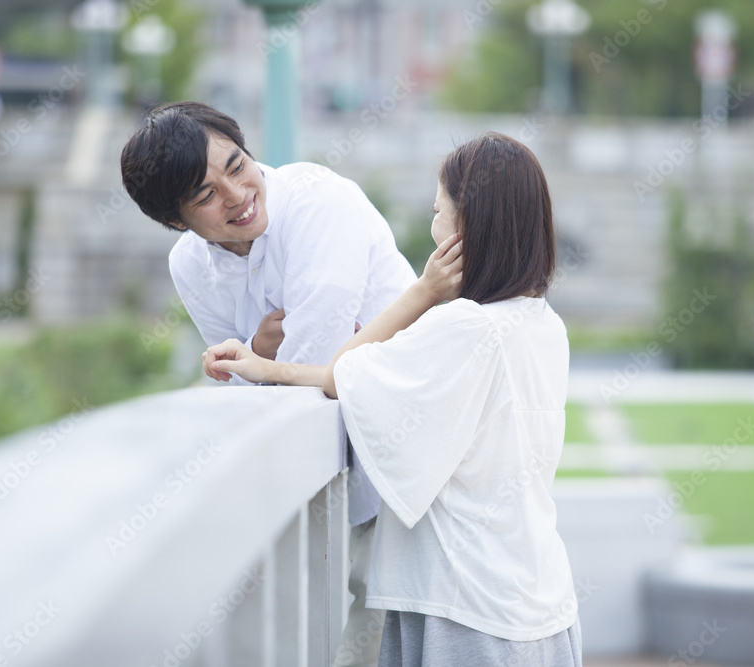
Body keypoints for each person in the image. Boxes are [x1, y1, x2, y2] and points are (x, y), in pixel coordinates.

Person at [203, 132, 582, 665]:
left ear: (463, 229)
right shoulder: (542, 324)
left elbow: (343, 372)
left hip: (466, 606)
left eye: (438, 211)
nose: (433, 226)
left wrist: (421, 291)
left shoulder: (466, 328)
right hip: (539, 596)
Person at [119, 101, 418, 666]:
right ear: (175, 219)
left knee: (381, 631)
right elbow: (246, 379)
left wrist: (261, 361)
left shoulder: (317, 205)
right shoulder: (190, 264)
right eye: (205, 194)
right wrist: (257, 352)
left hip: (404, 443)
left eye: (238, 165)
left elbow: (308, 378)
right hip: (317, 470)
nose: (236, 194)